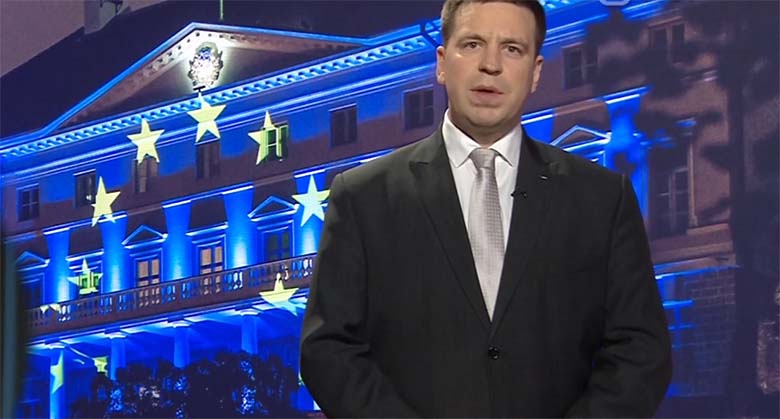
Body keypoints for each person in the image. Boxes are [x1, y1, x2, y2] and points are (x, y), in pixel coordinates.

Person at [299, 0, 672, 417]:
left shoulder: (602, 197)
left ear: (535, 72)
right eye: (472, 44)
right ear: (442, 63)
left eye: (512, 49)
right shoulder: (363, 196)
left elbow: (640, 350)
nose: (490, 65)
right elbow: (328, 349)